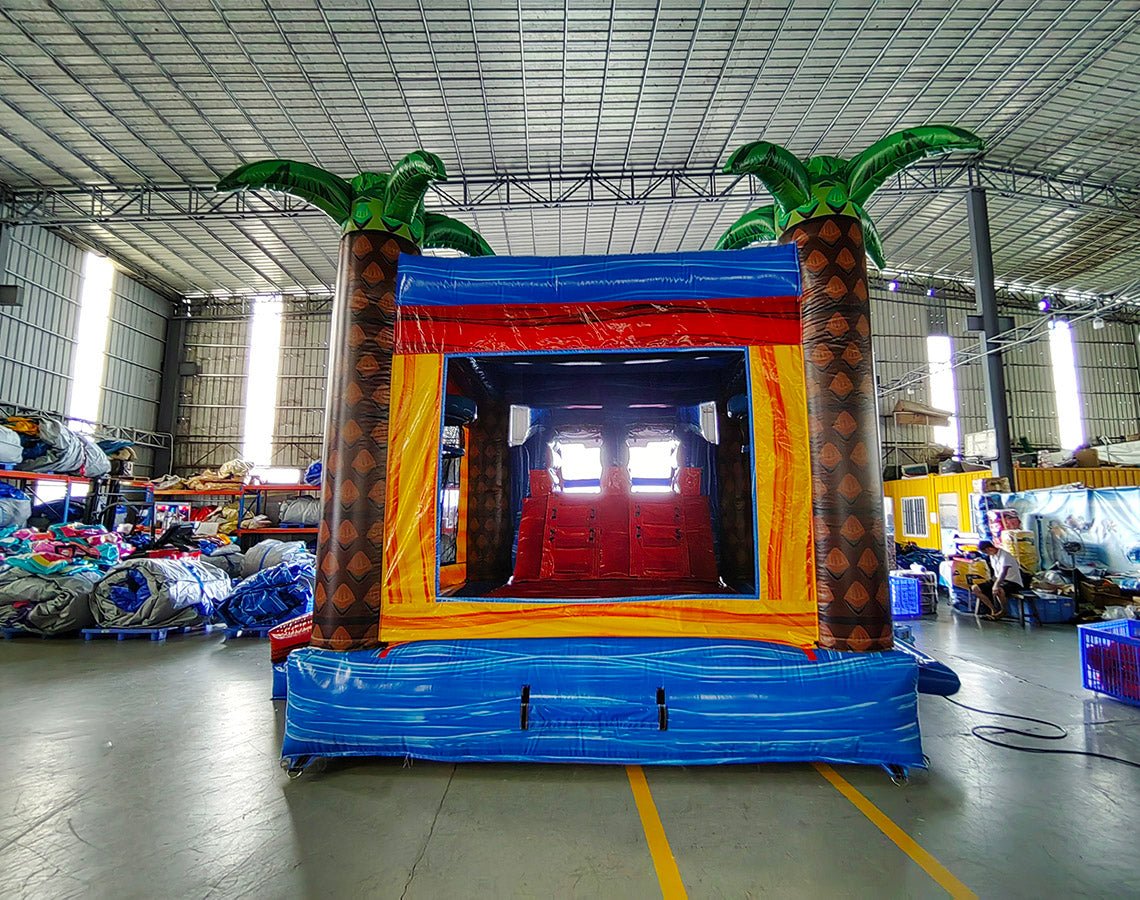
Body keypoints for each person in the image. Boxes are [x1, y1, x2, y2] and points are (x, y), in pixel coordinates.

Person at [972, 539, 1024, 620]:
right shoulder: (992, 556)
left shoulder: (1005, 556)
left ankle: (1004, 611)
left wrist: (996, 585)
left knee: (998, 590)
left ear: (989, 549)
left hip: (1012, 582)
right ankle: (993, 610)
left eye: (986, 552)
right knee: (975, 588)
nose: (987, 554)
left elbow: (1003, 572)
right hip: (997, 579)